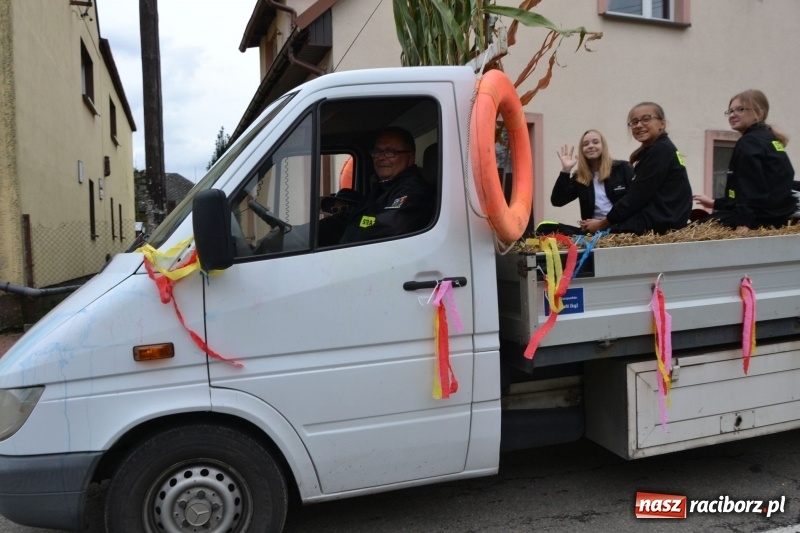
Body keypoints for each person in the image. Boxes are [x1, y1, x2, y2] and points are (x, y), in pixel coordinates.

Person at [580, 102, 692, 235]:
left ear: (662, 123)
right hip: (662, 219)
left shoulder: (659, 150)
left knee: (592, 235)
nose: (639, 125)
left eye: (646, 119)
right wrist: (565, 171)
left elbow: (636, 197)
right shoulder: (656, 150)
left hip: (660, 222)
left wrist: (602, 223)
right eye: (634, 122)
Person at [692, 90, 795, 231]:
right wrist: (714, 203)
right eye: (730, 111)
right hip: (778, 218)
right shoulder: (769, 140)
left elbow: (751, 189)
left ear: (759, 113)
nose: (733, 115)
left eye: (740, 109)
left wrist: (743, 223)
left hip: (760, 220)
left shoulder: (749, 142)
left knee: (696, 229)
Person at [339, 126, 434, 243]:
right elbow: (354, 217)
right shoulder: (382, 187)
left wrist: (357, 224)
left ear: (410, 158)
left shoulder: (413, 190)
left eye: (390, 152)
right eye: (377, 152)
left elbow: (391, 224)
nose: (381, 157)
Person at [550, 129, 634, 232]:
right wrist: (565, 170)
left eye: (595, 142)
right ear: (582, 150)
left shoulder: (622, 168)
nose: (590, 146)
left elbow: (635, 200)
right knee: (545, 228)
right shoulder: (579, 177)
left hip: (621, 228)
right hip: (593, 232)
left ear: (603, 146)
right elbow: (557, 201)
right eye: (585, 144)